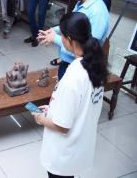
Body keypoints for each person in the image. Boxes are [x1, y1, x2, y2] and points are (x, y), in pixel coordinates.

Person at [33, 12, 108, 178]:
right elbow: (81, 106)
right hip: (80, 147)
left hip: (64, 153)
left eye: (61, 35)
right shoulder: (95, 65)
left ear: (69, 40)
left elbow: (62, 126)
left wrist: (41, 119)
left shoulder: (73, 76)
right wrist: (53, 108)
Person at [37, 0, 109, 80]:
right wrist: (55, 30)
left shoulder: (98, 13)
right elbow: (73, 26)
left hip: (81, 69)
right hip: (69, 62)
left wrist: (55, 38)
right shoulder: (81, 2)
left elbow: (86, 49)